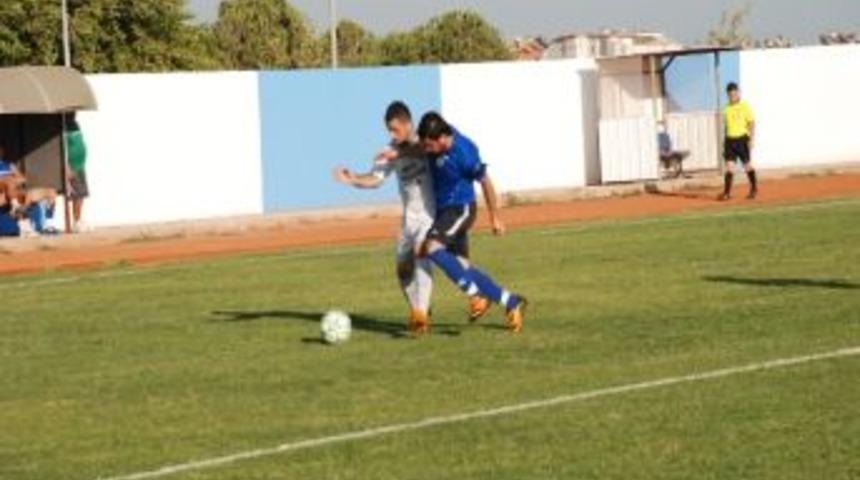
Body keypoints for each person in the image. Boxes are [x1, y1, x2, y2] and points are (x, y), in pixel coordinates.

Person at [416, 112, 528, 334]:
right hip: (444, 212)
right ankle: (511, 302)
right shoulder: (437, 139)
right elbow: (417, 146)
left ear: (441, 139)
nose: (426, 150)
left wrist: (495, 217)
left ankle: (475, 294)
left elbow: (485, 182)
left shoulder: (465, 152)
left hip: (460, 209)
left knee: (431, 247)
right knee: (462, 267)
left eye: (429, 146)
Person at [334, 101, 436, 333]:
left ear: (408, 124)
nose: (392, 134)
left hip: (430, 214)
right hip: (408, 218)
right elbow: (375, 179)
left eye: (395, 129)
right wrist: (353, 179)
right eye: (389, 130)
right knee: (402, 271)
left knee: (422, 254)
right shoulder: (390, 149)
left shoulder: (424, 139)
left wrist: (399, 152)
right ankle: (417, 311)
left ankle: (421, 313)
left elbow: (424, 149)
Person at [720, 83, 758, 200]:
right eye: (730, 94)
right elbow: (726, 127)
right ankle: (727, 193)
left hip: (742, 139)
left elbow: (751, 123)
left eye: (734, 93)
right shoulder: (725, 109)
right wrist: (724, 142)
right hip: (729, 141)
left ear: (738, 93)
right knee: (729, 167)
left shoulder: (745, 106)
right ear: (727, 95)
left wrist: (751, 139)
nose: (732, 96)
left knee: (747, 166)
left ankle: (753, 189)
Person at [65, 113, 90, 232]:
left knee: (82, 194)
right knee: (77, 194)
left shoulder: (75, 124)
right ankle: (75, 222)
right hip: (73, 166)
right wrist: (67, 167)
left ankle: (79, 220)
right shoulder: (64, 126)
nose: (76, 112)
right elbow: (63, 147)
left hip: (80, 165)